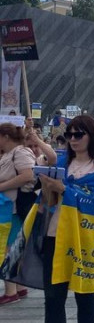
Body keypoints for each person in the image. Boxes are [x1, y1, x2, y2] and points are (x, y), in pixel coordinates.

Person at [37, 115, 94, 322]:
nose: (72, 139)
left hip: (85, 234)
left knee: (85, 292)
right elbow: (49, 201)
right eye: (68, 135)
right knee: (53, 295)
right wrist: (47, 184)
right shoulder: (62, 163)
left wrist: (64, 189)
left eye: (78, 134)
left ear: (91, 135)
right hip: (56, 232)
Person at [0, 123, 35, 306]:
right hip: (7, 207)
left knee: (8, 248)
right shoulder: (8, 154)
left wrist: (2, 186)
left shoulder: (20, 152)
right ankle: (18, 287)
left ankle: (11, 291)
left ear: (6, 136)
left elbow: (27, 175)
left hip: (13, 207)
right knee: (12, 246)